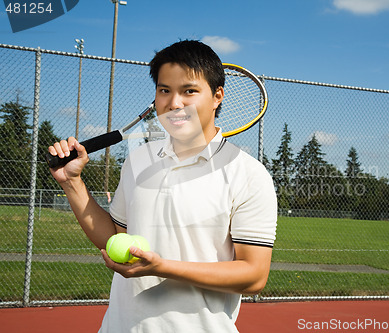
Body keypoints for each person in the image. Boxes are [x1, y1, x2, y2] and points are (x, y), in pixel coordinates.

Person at [47, 40, 277, 332]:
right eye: (164, 90)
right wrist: (72, 183)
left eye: (189, 91)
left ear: (217, 96)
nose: (174, 103)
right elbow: (117, 236)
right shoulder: (138, 160)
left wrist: (162, 267)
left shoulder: (249, 174)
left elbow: (254, 276)